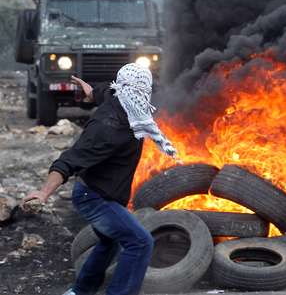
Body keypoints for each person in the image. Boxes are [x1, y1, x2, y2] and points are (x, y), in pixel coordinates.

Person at [21, 63, 179, 295]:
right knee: (140, 242)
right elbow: (68, 161)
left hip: (107, 194)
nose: (143, 96)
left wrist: (90, 91)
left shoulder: (123, 100)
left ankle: (80, 291)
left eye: (145, 91)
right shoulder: (107, 127)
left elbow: (106, 90)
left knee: (109, 241)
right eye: (139, 91)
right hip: (93, 197)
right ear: (130, 92)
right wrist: (44, 193)